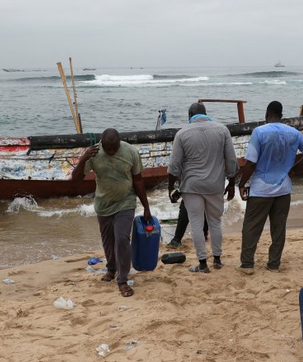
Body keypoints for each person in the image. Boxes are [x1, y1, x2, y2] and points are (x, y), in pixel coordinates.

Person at [236, 101, 303, 275]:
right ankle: (274, 264)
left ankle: (248, 264)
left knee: (251, 226)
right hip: (283, 188)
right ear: (281, 114)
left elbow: (250, 163)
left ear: (267, 114)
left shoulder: (260, 132)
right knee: (278, 228)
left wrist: (242, 184)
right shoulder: (294, 133)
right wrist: (294, 168)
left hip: (260, 189)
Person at [71, 128, 151, 297]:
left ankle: (122, 280)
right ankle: (111, 268)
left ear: (119, 142)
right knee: (108, 240)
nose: (112, 152)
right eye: (109, 149)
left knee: (122, 238)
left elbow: (138, 180)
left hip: (126, 202)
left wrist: (146, 206)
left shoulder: (130, 152)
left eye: (115, 148)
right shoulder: (94, 153)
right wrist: (84, 158)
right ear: (102, 144)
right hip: (103, 204)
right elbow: (76, 180)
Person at [168, 102, 239, 273]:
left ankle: (202, 264)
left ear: (189, 114)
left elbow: (174, 166)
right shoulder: (222, 130)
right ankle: (217, 260)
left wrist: (170, 188)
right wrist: (231, 183)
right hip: (215, 184)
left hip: (191, 186)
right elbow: (231, 160)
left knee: (196, 224)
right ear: (206, 113)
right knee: (215, 222)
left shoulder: (182, 133)